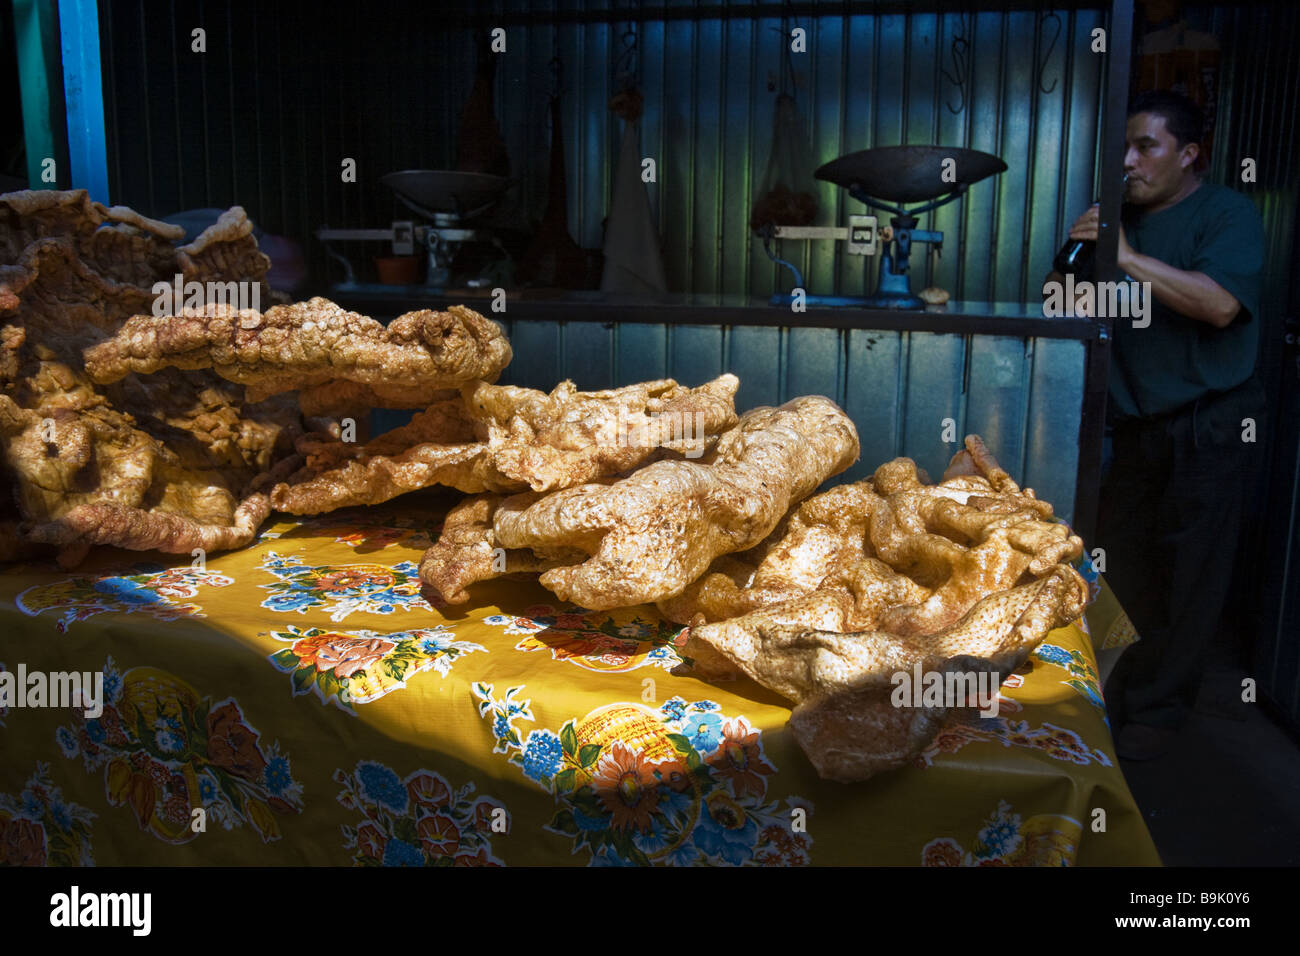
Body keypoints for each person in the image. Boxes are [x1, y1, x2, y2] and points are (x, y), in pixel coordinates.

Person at [1057, 90, 1266, 760]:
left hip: (1208, 422)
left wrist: (1121, 253)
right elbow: (1064, 307)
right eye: (1123, 147)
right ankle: (1107, 698)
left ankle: (1158, 713)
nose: (1128, 160)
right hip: (1137, 422)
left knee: (1191, 572)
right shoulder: (1120, 221)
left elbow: (1220, 305)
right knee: (1120, 566)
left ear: (1188, 153)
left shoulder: (1227, 213)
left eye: (1145, 146)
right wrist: (1076, 261)